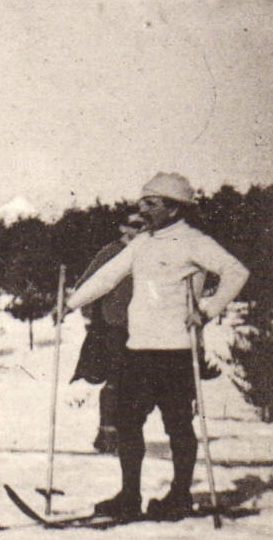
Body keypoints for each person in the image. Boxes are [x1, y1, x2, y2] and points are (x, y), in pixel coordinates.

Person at [65, 173, 248, 521]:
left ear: (174, 207)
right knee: (127, 421)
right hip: (139, 349)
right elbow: (107, 276)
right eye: (142, 201)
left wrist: (207, 311)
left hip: (176, 353)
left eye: (151, 203)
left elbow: (236, 272)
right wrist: (71, 304)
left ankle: (179, 496)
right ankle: (129, 496)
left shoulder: (194, 242)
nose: (142, 208)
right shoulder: (142, 243)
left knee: (177, 424)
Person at [70, 213, 145, 453]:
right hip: (112, 326)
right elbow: (87, 283)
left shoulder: (148, 253)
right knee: (116, 379)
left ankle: (123, 431)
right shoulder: (111, 252)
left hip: (140, 326)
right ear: (124, 228)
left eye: (144, 225)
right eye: (134, 225)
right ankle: (107, 433)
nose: (139, 229)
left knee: (134, 382)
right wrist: (90, 316)